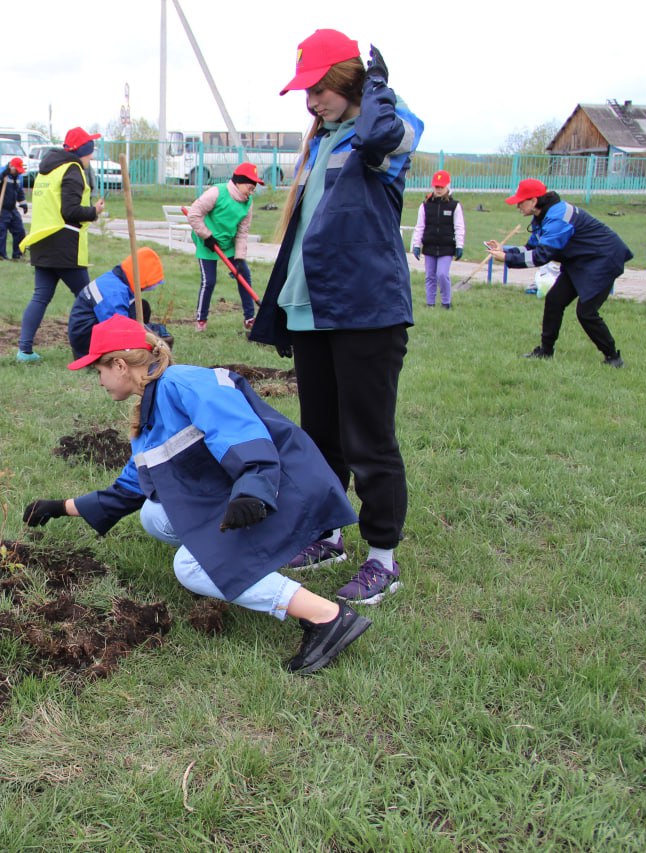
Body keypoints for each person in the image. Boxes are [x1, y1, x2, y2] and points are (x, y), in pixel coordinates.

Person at [23, 315, 371, 675]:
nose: (99, 381)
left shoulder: (183, 383)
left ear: (120, 364)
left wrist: (252, 488)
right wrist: (61, 508)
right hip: (246, 493)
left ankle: (326, 617)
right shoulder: (148, 416)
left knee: (189, 568)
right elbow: (129, 489)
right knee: (154, 515)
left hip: (276, 487)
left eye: (98, 370)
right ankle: (237, 565)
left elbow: (238, 431)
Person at [249, 29, 423, 606]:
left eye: (320, 87)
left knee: (367, 437)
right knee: (320, 436)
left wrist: (377, 86)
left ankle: (382, 558)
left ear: (350, 80)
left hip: (366, 311)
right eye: (306, 91)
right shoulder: (322, 141)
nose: (311, 101)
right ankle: (327, 533)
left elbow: (379, 132)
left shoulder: (390, 130)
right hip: (312, 310)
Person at [490, 178, 631, 367]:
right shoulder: (542, 215)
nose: (517, 206)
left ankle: (613, 357)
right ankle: (545, 351)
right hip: (580, 261)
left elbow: (542, 256)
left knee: (586, 312)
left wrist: (506, 258)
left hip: (604, 259)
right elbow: (532, 247)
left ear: (533, 201)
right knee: (554, 300)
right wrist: (505, 250)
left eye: (520, 202)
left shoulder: (558, 216)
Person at [15, 127, 106, 362]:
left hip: (42, 241)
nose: (92, 157)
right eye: (90, 151)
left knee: (40, 297)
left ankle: (24, 351)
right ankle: (99, 347)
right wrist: (94, 211)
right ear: (82, 151)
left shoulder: (47, 171)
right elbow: (70, 211)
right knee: (89, 298)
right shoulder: (73, 170)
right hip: (64, 245)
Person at [187, 161, 262, 332]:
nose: (252, 192)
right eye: (250, 187)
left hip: (228, 244)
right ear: (239, 181)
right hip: (207, 242)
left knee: (244, 275)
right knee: (209, 281)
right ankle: (201, 319)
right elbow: (193, 214)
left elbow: (243, 232)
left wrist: (239, 257)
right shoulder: (217, 192)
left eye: (254, 189)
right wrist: (207, 236)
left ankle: (250, 318)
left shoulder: (248, 203)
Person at [67, 247, 165, 358]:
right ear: (140, 276)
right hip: (86, 342)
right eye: (145, 286)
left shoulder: (117, 279)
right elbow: (118, 328)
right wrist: (149, 338)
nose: (145, 289)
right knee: (133, 320)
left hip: (90, 332)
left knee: (142, 306)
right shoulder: (113, 293)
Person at [410, 169, 465, 309]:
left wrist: (459, 245)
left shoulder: (455, 206)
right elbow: (419, 226)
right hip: (430, 245)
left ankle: (446, 302)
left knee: (442, 274)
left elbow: (459, 227)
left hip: (446, 246)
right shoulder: (425, 205)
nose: (439, 190)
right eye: (436, 187)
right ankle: (430, 303)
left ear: (448, 186)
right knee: (430, 276)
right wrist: (416, 244)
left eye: (441, 187)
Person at [0, 157, 28, 261]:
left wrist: (23, 203)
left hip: (11, 208)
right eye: (16, 170)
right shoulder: (0, 172)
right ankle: (1, 255)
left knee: (20, 231)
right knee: (1, 232)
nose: (18, 172)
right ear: (11, 166)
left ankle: (18, 255)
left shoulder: (18, 176)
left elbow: (19, 190)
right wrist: (3, 174)